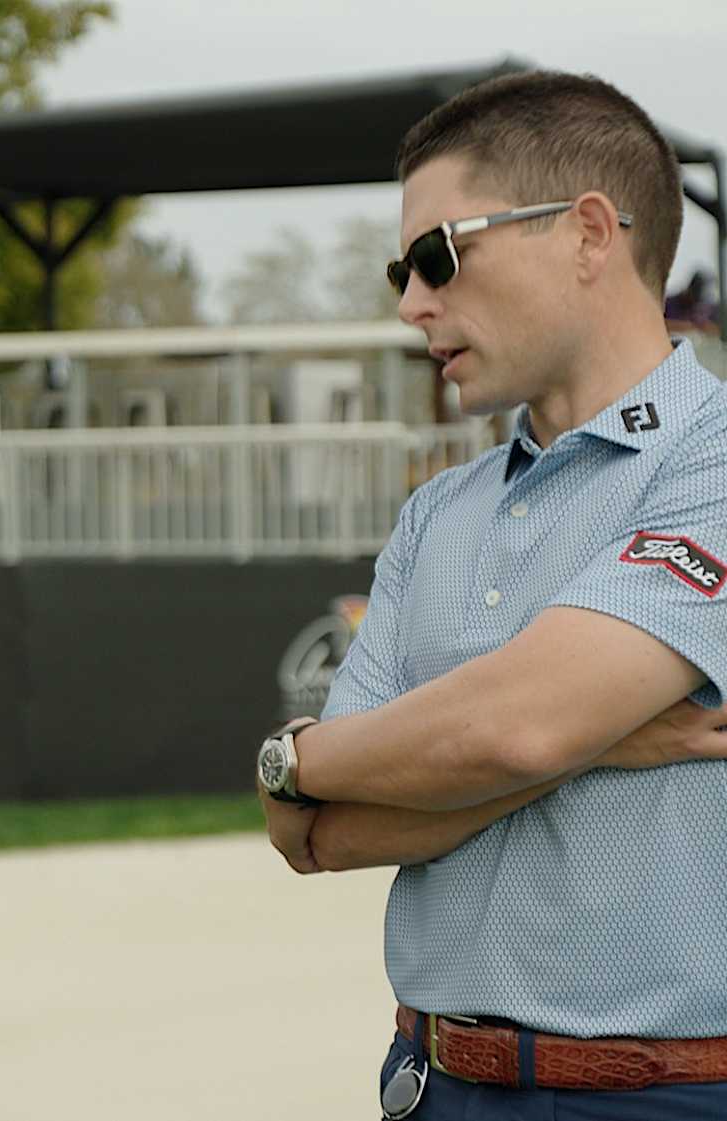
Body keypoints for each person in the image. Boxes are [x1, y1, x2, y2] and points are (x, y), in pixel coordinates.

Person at [254, 71, 727, 1118]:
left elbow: (511, 731)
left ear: (589, 234)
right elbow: (319, 831)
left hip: (669, 1096)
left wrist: (298, 756)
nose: (412, 299)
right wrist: (599, 740)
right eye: (402, 267)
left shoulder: (718, 457)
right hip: (431, 1082)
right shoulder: (439, 511)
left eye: (438, 253)